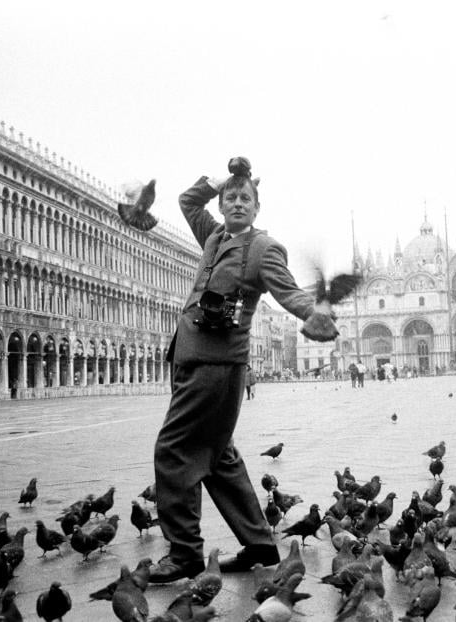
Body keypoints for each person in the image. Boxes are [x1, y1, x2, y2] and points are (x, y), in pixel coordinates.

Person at [149, 157, 336, 583]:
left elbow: (287, 289)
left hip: (216, 366)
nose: (236, 203)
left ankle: (184, 554)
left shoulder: (261, 249)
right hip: (191, 359)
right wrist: (220, 178)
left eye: (245, 198)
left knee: (174, 450)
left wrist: (313, 314)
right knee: (217, 455)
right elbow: (187, 201)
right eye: (229, 197)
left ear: (256, 206)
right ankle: (258, 543)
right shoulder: (214, 236)